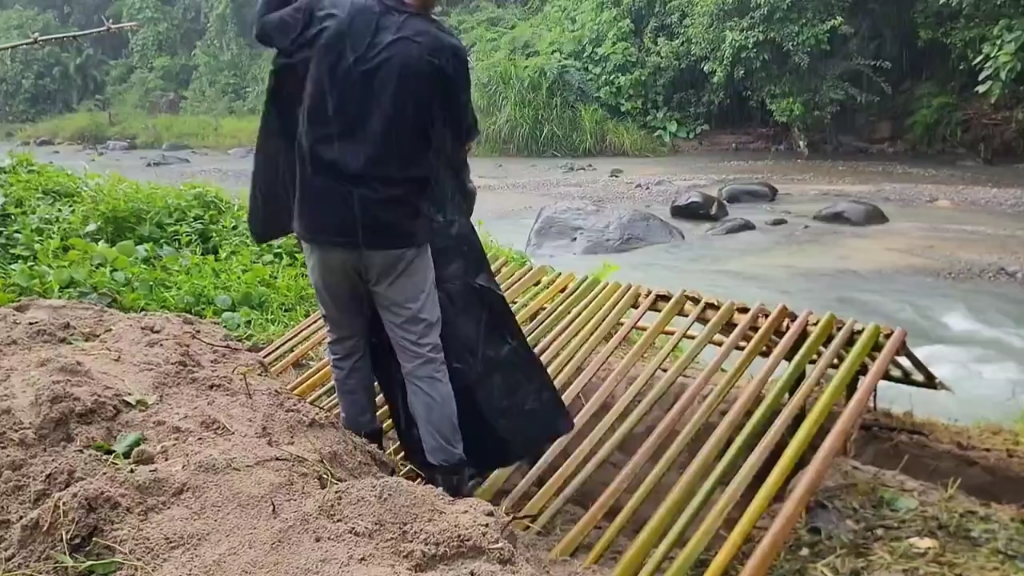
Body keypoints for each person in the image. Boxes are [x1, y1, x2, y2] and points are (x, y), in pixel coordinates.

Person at [285, 0, 479, 497]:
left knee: (345, 341)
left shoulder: (328, 24)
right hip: (395, 230)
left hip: (321, 221)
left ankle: (364, 456)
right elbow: (457, 144)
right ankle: (448, 477)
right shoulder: (438, 48)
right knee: (421, 355)